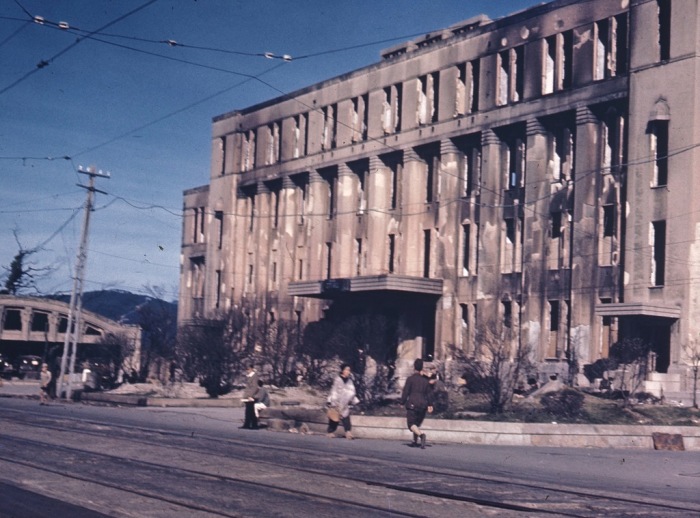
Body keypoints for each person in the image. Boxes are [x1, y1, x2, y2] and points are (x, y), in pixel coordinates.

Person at [401, 358, 433, 449]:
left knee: (411, 424)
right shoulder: (425, 381)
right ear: (422, 368)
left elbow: (406, 391)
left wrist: (402, 401)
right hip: (423, 404)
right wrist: (430, 405)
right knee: (416, 424)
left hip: (413, 403)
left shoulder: (410, 379)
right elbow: (429, 394)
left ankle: (421, 435)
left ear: (414, 367)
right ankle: (415, 441)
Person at [326, 363, 360, 440]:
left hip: (345, 403)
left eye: (349, 370)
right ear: (342, 370)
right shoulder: (338, 379)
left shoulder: (350, 381)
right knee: (334, 419)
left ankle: (348, 432)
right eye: (346, 370)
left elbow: (352, 391)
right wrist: (332, 401)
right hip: (337, 402)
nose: (348, 371)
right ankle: (330, 431)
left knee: (346, 418)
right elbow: (333, 391)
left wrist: (354, 401)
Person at [240, 364, 261, 429]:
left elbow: (254, 387)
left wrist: (250, 395)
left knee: (250, 411)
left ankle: (253, 425)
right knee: (249, 411)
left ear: (252, 369)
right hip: (248, 396)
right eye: (246, 369)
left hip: (251, 396)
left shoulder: (254, 376)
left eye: (248, 369)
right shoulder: (249, 376)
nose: (247, 370)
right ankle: (248, 424)